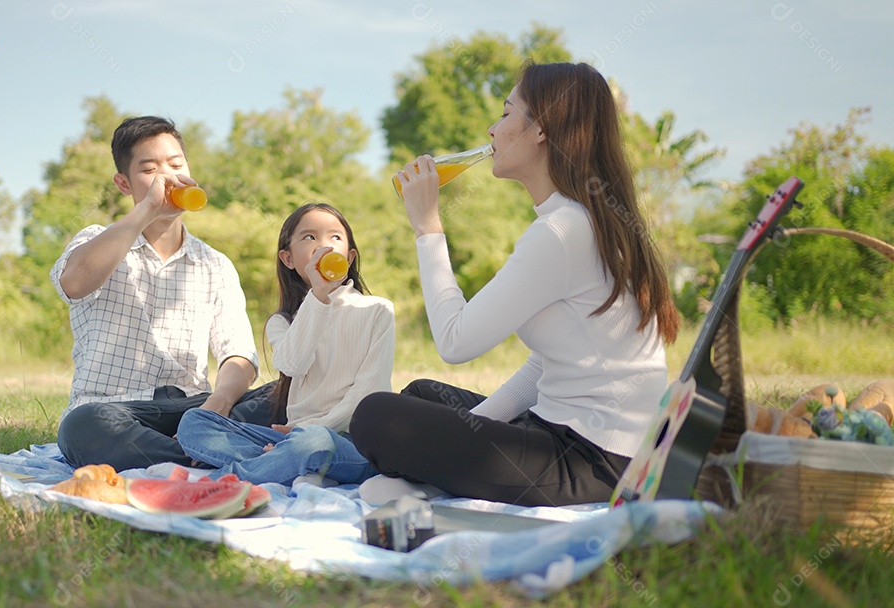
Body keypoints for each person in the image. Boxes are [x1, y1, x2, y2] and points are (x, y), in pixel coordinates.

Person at [349, 62, 681, 507]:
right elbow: (541, 367)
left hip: (596, 462)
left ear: (541, 129)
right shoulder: (582, 220)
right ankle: (431, 476)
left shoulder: (562, 231)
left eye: (506, 114)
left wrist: (428, 227)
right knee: (423, 396)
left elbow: (454, 341)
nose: (492, 129)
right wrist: (468, 428)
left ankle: (425, 478)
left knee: (375, 416)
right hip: (566, 433)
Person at [53, 116, 274, 472]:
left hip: (195, 408)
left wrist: (216, 405)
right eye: (150, 169)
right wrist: (147, 210)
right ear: (123, 183)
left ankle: (203, 448)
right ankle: (211, 457)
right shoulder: (95, 240)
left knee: (286, 392)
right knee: (81, 428)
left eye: (175, 165)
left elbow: (239, 355)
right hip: (117, 410)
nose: (167, 178)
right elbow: (75, 283)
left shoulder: (214, 264)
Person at [176, 203, 395, 485]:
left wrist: (304, 435)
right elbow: (293, 364)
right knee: (194, 423)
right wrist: (319, 296)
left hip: (352, 443)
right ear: (288, 258)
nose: (324, 246)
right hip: (290, 437)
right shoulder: (282, 322)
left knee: (311, 441)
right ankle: (284, 463)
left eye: (335, 237)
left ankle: (231, 480)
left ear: (350, 257)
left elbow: (368, 393)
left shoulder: (378, 310)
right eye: (309, 237)